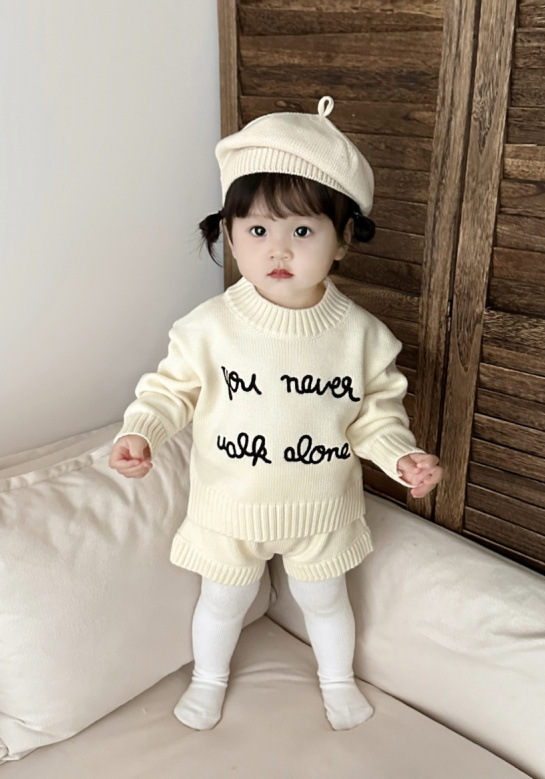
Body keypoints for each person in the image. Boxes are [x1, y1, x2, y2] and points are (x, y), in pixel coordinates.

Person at [109, 96, 443, 732]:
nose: (278, 250)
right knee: (222, 602)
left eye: (303, 231)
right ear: (229, 234)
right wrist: (141, 431)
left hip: (321, 507)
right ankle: (208, 679)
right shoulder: (208, 327)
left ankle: (337, 681)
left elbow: (375, 416)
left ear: (343, 240)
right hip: (231, 507)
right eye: (258, 231)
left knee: (326, 601)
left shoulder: (363, 336)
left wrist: (400, 456)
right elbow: (170, 391)